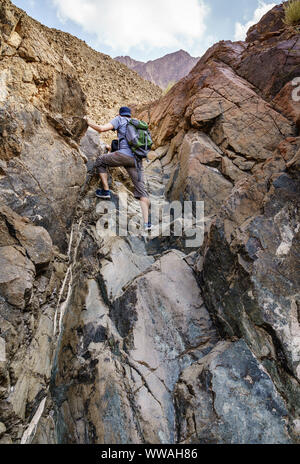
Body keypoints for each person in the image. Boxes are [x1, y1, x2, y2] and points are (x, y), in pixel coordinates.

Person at [85, 107, 151, 231]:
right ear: (130, 115)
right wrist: (112, 149)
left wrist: (87, 122)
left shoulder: (119, 119)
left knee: (100, 161)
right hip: (137, 160)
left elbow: (102, 129)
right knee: (142, 192)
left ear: (120, 114)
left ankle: (105, 191)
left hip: (123, 156)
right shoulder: (136, 124)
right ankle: (147, 223)